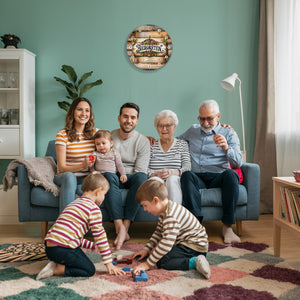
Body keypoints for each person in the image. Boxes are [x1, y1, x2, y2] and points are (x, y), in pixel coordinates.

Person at [36, 172, 125, 280]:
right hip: (62, 249)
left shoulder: (74, 203)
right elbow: (100, 236)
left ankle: (58, 261)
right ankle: (56, 269)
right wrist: (109, 263)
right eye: (104, 194)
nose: (104, 198)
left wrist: (92, 245)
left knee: (74, 250)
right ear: (98, 191)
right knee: (88, 269)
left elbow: (71, 235)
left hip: (50, 249)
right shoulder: (93, 209)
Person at [179, 99, 243, 244]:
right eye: (202, 119)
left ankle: (227, 228)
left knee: (231, 175)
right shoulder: (192, 130)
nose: (206, 123)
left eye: (210, 118)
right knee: (187, 175)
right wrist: (152, 141)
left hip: (219, 176)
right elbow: (174, 142)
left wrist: (227, 148)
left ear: (218, 116)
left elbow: (238, 162)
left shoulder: (229, 133)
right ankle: (195, 227)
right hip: (197, 177)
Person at [132, 179, 210, 279]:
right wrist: (147, 250)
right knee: (159, 256)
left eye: (145, 205)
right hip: (190, 244)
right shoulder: (165, 211)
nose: (145, 209)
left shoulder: (170, 216)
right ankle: (193, 258)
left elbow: (166, 244)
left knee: (162, 262)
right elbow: (158, 233)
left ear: (155, 200)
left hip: (194, 246)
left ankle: (194, 262)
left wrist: (147, 264)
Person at [104, 102, 150, 250]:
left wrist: (125, 175)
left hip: (132, 176)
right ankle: (120, 228)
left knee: (142, 178)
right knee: (109, 175)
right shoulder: (109, 137)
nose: (128, 120)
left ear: (137, 120)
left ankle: (125, 227)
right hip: (114, 176)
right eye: (125, 116)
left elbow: (140, 170)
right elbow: (103, 160)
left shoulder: (142, 141)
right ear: (119, 118)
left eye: (132, 117)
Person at [54, 97, 99, 213]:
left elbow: (114, 140)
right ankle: (65, 224)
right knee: (70, 176)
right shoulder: (62, 135)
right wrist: (82, 165)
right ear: (72, 112)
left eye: (87, 110)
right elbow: (62, 167)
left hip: (85, 179)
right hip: (65, 177)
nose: (84, 113)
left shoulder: (95, 134)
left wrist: (143, 138)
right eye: (80, 109)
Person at [148, 109, 191, 204]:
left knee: (172, 179)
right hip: (155, 179)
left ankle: (174, 215)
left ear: (174, 127)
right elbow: (144, 168)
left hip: (175, 180)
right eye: (160, 126)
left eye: (168, 125)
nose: (164, 129)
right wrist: (156, 174)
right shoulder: (150, 145)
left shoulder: (182, 144)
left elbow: (187, 167)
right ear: (156, 127)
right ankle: (160, 215)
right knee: (155, 181)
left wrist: (173, 172)